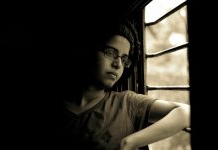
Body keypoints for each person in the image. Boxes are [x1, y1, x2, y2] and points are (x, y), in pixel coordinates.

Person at [55, 18, 190, 150]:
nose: (118, 64)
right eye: (110, 53)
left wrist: (129, 143)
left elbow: (186, 112)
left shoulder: (127, 103)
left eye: (124, 59)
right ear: (89, 51)